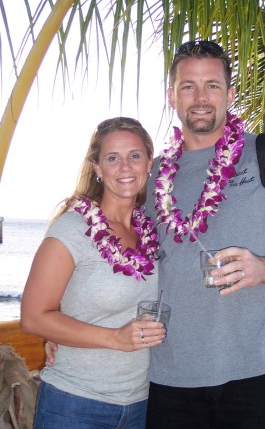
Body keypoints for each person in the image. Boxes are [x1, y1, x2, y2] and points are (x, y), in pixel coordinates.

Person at [143, 40, 265, 428]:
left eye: (212, 85)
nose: (200, 97)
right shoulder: (151, 175)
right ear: (172, 96)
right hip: (168, 380)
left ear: (230, 94)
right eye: (188, 86)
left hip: (259, 375)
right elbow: (123, 259)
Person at [21, 117, 166, 429]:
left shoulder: (152, 229)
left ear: (149, 163)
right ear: (97, 168)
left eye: (135, 156)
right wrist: (114, 338)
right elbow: (33, 317)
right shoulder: (73, 229)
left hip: (142, 404)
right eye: (112, 158)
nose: (125, 167)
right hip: (75, 405)